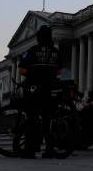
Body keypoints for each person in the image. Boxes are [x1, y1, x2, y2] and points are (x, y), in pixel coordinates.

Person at [18, 25, 63, 159]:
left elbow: (21, 70)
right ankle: (49, 149)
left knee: (32, 119)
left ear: (38, 37)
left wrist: (33, 73)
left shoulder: (33, 50)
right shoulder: (56, 51)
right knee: (47, 120)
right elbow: (59, 71)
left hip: (34, 89)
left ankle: (30, 150)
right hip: (50, 90)